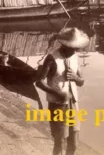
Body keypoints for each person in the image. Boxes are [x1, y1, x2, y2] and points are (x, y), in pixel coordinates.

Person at [36, 27, 89, 155]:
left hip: (73, 103)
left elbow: (82, 82)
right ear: (64, 45)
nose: (74, 50)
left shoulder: (75, 58)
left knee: (74, 143)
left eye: (76, 47)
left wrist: (76, 78)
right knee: (59, 142)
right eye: (72, 47)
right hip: (57, 105)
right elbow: (39, 82)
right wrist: (57, 93)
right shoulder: (52, 58)